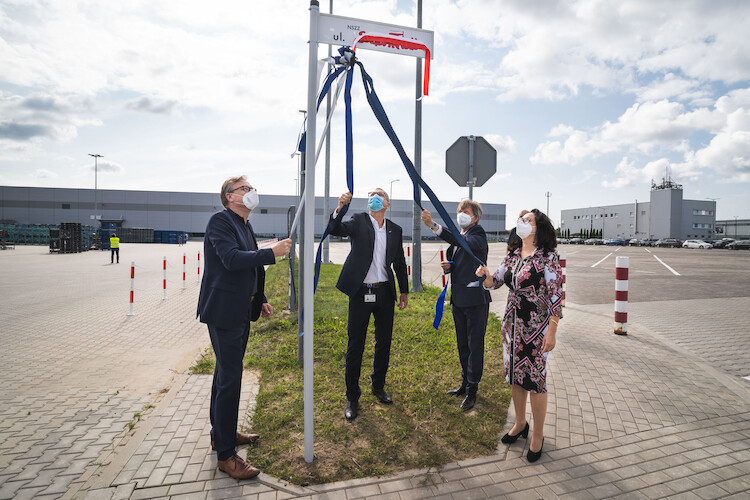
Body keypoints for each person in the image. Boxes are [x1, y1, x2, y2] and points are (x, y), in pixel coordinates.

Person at [196, 176, 292, 479]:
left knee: (225, 375)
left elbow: (250, 267)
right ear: (230, 197)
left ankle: (221, 433)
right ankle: (226, 456)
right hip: (223, 312)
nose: (251, 193)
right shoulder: (220, 222)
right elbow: (232, 259)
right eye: (245, 189)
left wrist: (259, 297)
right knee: (231, 379)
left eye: (251, 188)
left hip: (240, 310)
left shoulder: (245, 225)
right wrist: (273, 253)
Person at [476, 209, 562, 463]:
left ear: (539, 228)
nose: (522, 223)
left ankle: (537, 434)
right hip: (512, 326)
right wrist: (486, 276)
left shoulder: (548, 258)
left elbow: (557, 297)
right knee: (516, 375)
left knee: (535, 381)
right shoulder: (513, 255)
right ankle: (520, 423)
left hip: (536, 328)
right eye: (521, 220)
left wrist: (552, 332)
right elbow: (496, 282)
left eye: (528, 220)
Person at [329, 189, 409, 422]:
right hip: (360, 292)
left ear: (388, 204)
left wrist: (403, 290)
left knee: (383, 342)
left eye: (380, 194)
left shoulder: (395, 229)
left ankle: (378, 386)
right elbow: (336, 229)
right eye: (372, 194)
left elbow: (400, 263)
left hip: (384, 292)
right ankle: (352, 397)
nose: (375, 196)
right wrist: (340, 208)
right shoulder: (358, 220)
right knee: (356, 345)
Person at [421, 201, 490, 411]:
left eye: (465, 212)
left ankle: (472, 389)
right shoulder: (463, 236)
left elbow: (464, 242)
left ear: (475, 217)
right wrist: (450, 266)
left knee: (474, 345)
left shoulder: (477, 234)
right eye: (460, 211)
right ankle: (464, 382)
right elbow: (461, 255)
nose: (461, 214)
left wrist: (434, 225)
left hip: (476, 301)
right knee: (463, 345)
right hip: (459, 300)